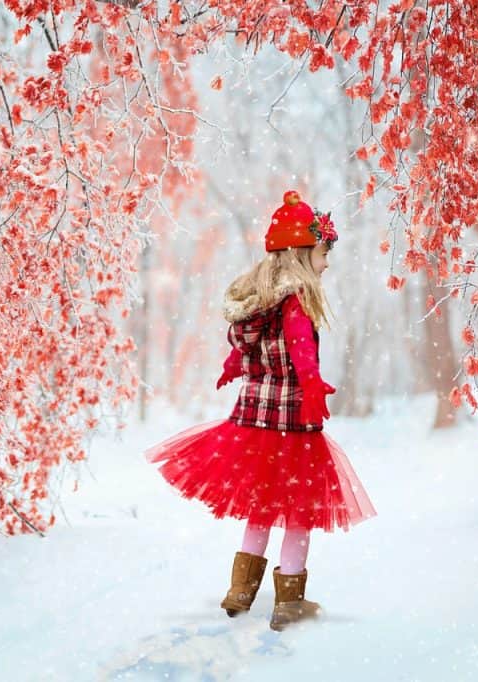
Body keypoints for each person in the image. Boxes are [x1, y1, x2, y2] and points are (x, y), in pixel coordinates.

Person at [145, 190, 376, 631]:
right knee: (299, 512)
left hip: (254, 420)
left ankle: (239, 591)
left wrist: (234, 366)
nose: (326, 263)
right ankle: (289, 602)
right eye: (323, 254)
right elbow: (300, 346)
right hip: (291, 421)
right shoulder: (295, 303)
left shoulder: (259, 303)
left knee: (261, 506)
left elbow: (246, 344)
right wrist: (312, 385)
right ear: (301, 254)